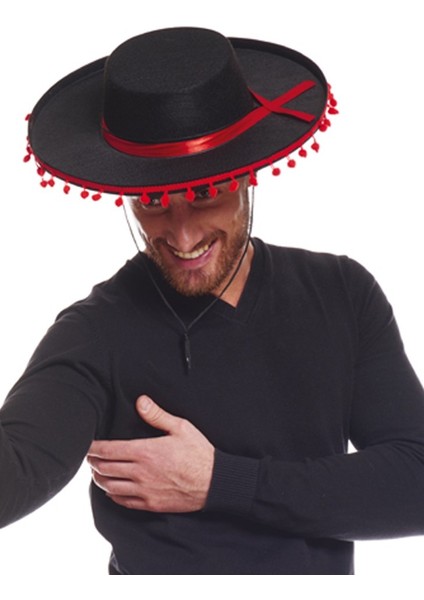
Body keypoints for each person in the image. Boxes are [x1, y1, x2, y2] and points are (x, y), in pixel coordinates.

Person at [1, 26, 424, 575]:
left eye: (203, 195)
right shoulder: (96, 330)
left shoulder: (341, 292)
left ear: (247, 176)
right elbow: (17, 465)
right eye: (154, 201)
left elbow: (415, 480)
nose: (181, 236)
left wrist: (220, 482)